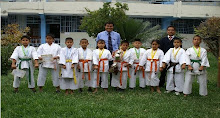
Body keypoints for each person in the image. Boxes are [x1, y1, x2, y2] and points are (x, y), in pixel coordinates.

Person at [96, 21, 121, 86]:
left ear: (113, 27)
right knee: (102, 68)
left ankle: (113, 84)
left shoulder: (117, 35)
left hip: (114, 54)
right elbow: (97, 44)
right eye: (107, 26)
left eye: (111, 26)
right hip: (103, 54)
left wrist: (117, 53)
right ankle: (101, 83)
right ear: (105, 26)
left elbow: (118, 44)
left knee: (113, 68)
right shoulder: (100, 34)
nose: (109, 27)